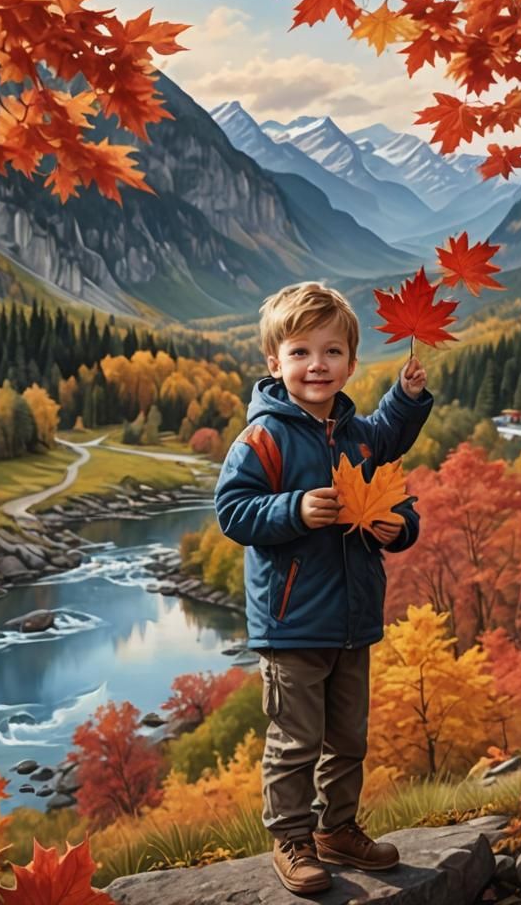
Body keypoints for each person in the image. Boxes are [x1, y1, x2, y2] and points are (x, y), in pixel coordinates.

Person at [214, 281, 433, 895]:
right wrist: (293, 509)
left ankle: (339, 829)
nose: (317, 365)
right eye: (301, 352)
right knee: (294, 742)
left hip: (353, 620)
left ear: (350, 363)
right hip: (292, 625)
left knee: (348, 739)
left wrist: (400, 525)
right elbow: (233, 513)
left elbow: (390, 460)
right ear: (274, 362)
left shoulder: (358, 434)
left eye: (332, 352)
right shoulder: (262, 439)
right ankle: (291, 838)